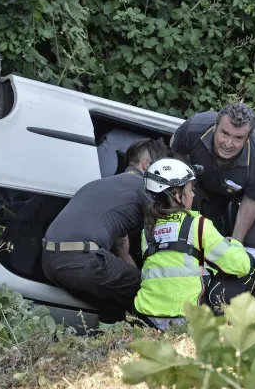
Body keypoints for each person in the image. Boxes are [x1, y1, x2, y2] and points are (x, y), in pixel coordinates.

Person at [41, 138, 169, 323]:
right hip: (83, 260)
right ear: (146, 164)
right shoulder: (142, 186)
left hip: (50, 261)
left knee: (113, 306)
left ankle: (108, 343)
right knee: (152, 293)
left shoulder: (102, 186)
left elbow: (122, 249)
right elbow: (170, 229)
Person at [134, 158, 255, 328]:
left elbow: (174, 264)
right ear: (177, 195)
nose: (193, 194)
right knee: (249, 266)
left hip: (148, 318)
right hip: (184, 319)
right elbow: (240, 265)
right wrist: (234, 244)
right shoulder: (197, 224)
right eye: (191, 189)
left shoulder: (146, 231)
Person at [170, 103, 255, 250]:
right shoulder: (194, 127)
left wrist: (234, 244)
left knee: (251, 243)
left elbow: (251, 202)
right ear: (215, 126)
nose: (228, 144)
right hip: (204, 179)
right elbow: (176, 151)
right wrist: (187, 185)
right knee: (196, 230)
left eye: (238, 138)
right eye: (224, 133)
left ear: (248, 138)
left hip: (251, 189)